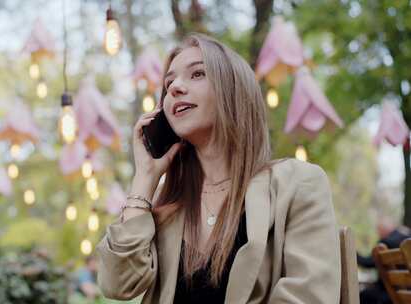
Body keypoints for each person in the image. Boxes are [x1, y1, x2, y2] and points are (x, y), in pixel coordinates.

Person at [96, 33, 341, 303]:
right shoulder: (165, 205)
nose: (175, 87)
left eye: (197, 73)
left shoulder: (298, 183)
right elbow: (118, 286)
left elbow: (309, 296)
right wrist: (144, 178)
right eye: (168, 83)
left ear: (234, 91)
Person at [358, 217, 411, 304]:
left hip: (392, 296)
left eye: (379, 230)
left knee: (364, 295)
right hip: (406, 295)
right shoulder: (407, 238)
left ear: (383, 230)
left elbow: (368, 263)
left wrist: (353, 253)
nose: (378, 233)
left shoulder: (386, 242)